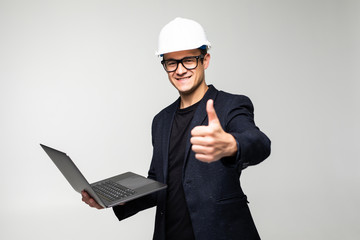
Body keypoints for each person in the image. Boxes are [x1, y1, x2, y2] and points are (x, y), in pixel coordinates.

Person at [81, 17, 271, 240]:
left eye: (189, 60)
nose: (180, 70)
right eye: (172, 62)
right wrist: (119, 198)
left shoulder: (231, 105)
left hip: (221, 232)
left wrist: (231, 144)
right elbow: (159, 185)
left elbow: (259, 142)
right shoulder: (160, 120)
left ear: (205, 60)